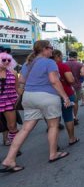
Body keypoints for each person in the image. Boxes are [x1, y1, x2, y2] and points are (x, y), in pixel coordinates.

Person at [1, 40, 70, 173]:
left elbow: (21, 81)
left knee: (25, 129)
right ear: (44, 49)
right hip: (47, 96)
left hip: (29, 97)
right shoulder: (50, 62)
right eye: (50, 48)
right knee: (53, 125)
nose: (51, 50)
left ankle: (9, 159)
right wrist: (65, 97)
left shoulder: (28, 63)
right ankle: (53, 154)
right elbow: (54, 81)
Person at [52, 50, 79, 146]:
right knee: (68, 117)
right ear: (58, 56)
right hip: (66, 93)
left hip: (51, 95)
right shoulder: (62, 66)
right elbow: (70, 80)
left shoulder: (46, 66)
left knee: (53, 120)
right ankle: (72, 138)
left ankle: (54, 145)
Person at [0, 51, 19, 146]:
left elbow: (17, 88)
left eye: (9, 60)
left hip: (9, 102)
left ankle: (14, 146)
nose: (7, 62)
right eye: (4, 60)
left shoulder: (13, 73)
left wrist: (22, 98)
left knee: (12, 125)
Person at [65, 51, 84, 125]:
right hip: (76, 86)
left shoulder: (64, 64)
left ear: (69, 56)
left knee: (66, 102)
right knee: (75, 102)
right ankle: (74, 117)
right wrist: (80, 81)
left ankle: (68, 118)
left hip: (66, 86)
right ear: (76, 56)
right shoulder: (79, 64)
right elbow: (83, 74)